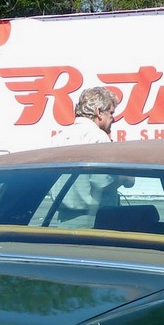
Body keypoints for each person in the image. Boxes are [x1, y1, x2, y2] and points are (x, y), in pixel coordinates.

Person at [55, 87, 133, 225]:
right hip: (93, 220)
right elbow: (103, 183)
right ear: (99, 112)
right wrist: (125, 177)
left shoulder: (58, 138)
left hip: (61, 219)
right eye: (111, 113)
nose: (113, 118)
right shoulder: (98, 137)